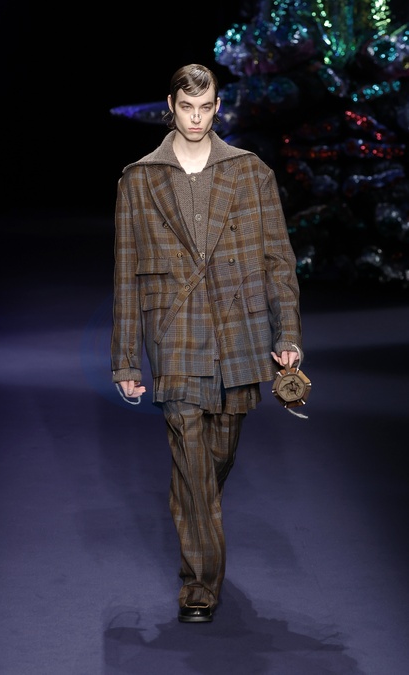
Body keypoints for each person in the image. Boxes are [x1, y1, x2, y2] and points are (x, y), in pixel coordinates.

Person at [111, 63, 303, 624]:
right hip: (173, 329)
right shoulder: (139, 179)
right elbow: (125, 274)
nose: (196, 118)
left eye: (205, 107)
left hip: (237, 327)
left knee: (215, 456)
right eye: (186, 107)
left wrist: (287, 333)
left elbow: (278, 260)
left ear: (217, 107)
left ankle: (195, 510)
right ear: (170, 106)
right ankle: (199, 585)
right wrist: (126, 360)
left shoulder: (250, 172)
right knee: (191, 451)